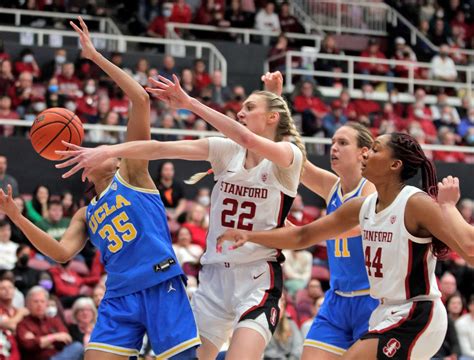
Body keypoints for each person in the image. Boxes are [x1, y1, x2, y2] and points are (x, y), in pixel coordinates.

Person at [54, 72, 305, 359]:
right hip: (213, 279)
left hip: (257, 277)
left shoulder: (289, 156)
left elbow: (247, 136)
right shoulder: (226, 151)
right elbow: (160, 148)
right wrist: (109, 150)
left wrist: (189, 102)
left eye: (249, 108)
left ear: (272, 117)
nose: (240, 111)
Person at [0, 17, 199, 359]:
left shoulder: (133, 173)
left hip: (158, 284)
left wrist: (93, 56)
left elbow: (140, 98)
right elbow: (61, 254)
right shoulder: (85, 213)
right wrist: (16, 218)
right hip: (118, 296)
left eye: (108, 151)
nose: (103, 152)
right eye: (93, 151)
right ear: (83, 173)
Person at [219, 132, 474, 359]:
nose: (366, 155)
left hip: (416, 312)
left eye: (375, 150)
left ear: (394, 165)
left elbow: (470, 248)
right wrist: (250, 235)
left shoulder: (415, 203)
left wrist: (449, 207)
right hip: (384, 311)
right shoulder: (362, 207)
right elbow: (302, 237)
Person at [437, 176, 474, 247]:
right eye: (466, 209)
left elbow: (470, 244)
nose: (467, 212)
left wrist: (448, 205)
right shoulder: (459, 218)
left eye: (469, 209)